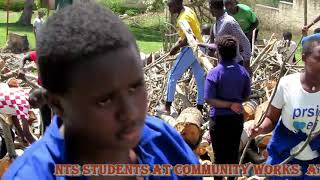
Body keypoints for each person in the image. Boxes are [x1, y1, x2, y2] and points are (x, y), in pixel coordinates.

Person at [3, 2, 201, 179]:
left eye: (135, 87)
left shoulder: (164, 143)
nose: (130, 111)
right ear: (58, 104)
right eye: (105, 100)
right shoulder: (33, 174)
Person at [248, 34, 320, 180]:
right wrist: (260, 128)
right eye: (319, 58)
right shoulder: (287, 84)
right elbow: (271, 117)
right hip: (284, 158)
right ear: (305, 57)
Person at [205, 35, 251, 180]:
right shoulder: (243, 72)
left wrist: (227, 105)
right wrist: (234, 103)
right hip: (236, 120)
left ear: (218, 52)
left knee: (219, 156)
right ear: (235, 52)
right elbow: (246, 96)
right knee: (232, 155)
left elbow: (209, 99)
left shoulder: (214, 73)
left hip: (218, 120)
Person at [164, 0, 205, 114]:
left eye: (170, 7)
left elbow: (188, 37)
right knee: (200, 79)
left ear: (177, 5)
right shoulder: (188, 10)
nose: (170, 10)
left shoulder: (183, 17)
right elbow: (189, 32)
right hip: (200, 47)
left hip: (190, 49)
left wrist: (176, 48)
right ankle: (200, 108)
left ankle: (167, 106)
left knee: (172, 75)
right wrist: (177, 44)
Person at [208, 0, 251, 74]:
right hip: (223, 65)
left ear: (213, 7)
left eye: (210, 7)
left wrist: (246, 66)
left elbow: (245, 42)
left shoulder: (229, 22)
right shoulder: (216, 24)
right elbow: (217, 46)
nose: (210, 10)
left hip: (235, 64)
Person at [19, 51, 52, 135]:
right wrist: (21, 68)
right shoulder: (38, 54)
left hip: (55, 91)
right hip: (43, 90)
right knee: (45, 119)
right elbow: (25, 57)